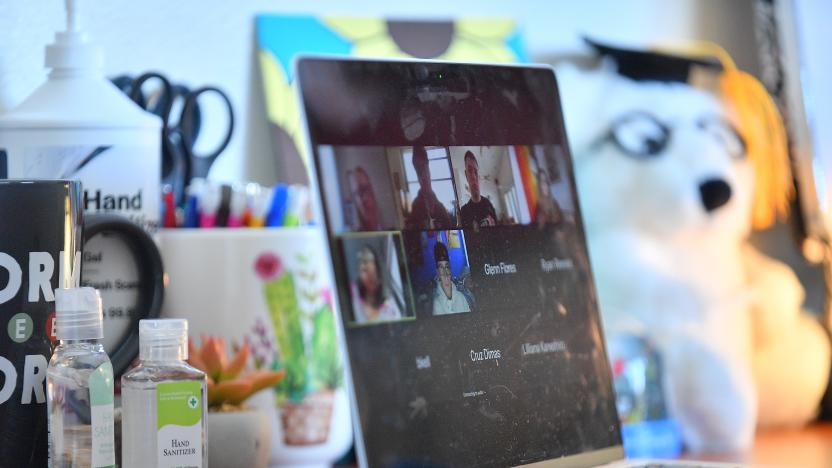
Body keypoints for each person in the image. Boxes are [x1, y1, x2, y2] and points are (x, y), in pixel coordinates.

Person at [351, 244, 402, 323]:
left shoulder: (389, 302)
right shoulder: (353, 293)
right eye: (361, 262)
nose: (363, 265)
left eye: (367, 260)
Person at [405, 146, 453, 230]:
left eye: (424, 168)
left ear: (429, 170)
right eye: (418, 171)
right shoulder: (415, 206)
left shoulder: (440, 207)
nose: (423, 175)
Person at [459, 150, 497, 229]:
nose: (473, 176)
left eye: (476, 172)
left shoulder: (489, 204)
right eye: (470, 171)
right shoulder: (463, 212)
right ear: (466, 175)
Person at [432, 241, 471, 315]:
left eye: (447, 267)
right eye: (441, 268)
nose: (445, 273)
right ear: (437, 272)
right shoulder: (436, 305)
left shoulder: (461, 298)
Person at [352, 166, 380, 231]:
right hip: (365, 226)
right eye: (357, 178)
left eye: (360, 177)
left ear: (365, 177)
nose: (359, 179)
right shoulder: (358, 193)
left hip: (373, 225)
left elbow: (371, 210)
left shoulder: (369, 191)